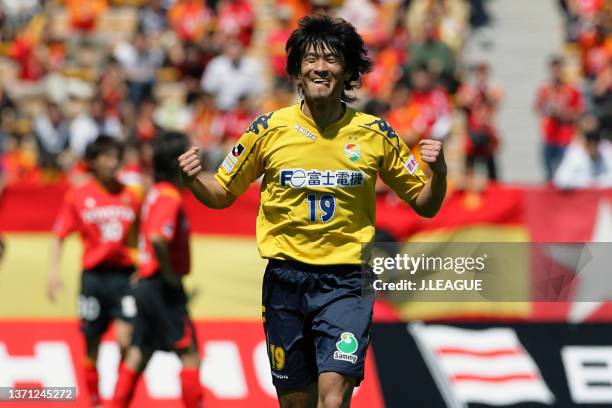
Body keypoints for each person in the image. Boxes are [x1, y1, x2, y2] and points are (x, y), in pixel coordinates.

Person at [179, 14, 446, 408]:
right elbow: (221, 193)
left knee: (333, 400)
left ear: (349, 71)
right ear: (297, 72)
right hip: (285, 281)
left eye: (332, 59)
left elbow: (425, 205)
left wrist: (437, 174)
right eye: (311, 59)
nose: (321, 67)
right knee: (295, 404)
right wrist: (193, 179)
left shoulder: (376, 134)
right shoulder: (267, 130)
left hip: (347, 283)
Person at [48, 136, 141, 407]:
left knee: (127, 341)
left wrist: (144, 265)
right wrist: (53, 274)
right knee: (91, 343)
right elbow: (58, 235)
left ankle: (119, 399)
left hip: (125, 277)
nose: (114, 163)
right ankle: (95, 399)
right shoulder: (78, 195)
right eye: (107, 157)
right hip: (93, 278)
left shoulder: (132, 194)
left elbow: (148, 231)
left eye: (117, 157)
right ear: (93, 162)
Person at [113, 131, 203, 408]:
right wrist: (166, 274)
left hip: (147, 284)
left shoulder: (156, 192)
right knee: (190, 354)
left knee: (140, 352)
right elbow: (156, 238)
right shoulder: (169, 196)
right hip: (161, 286)